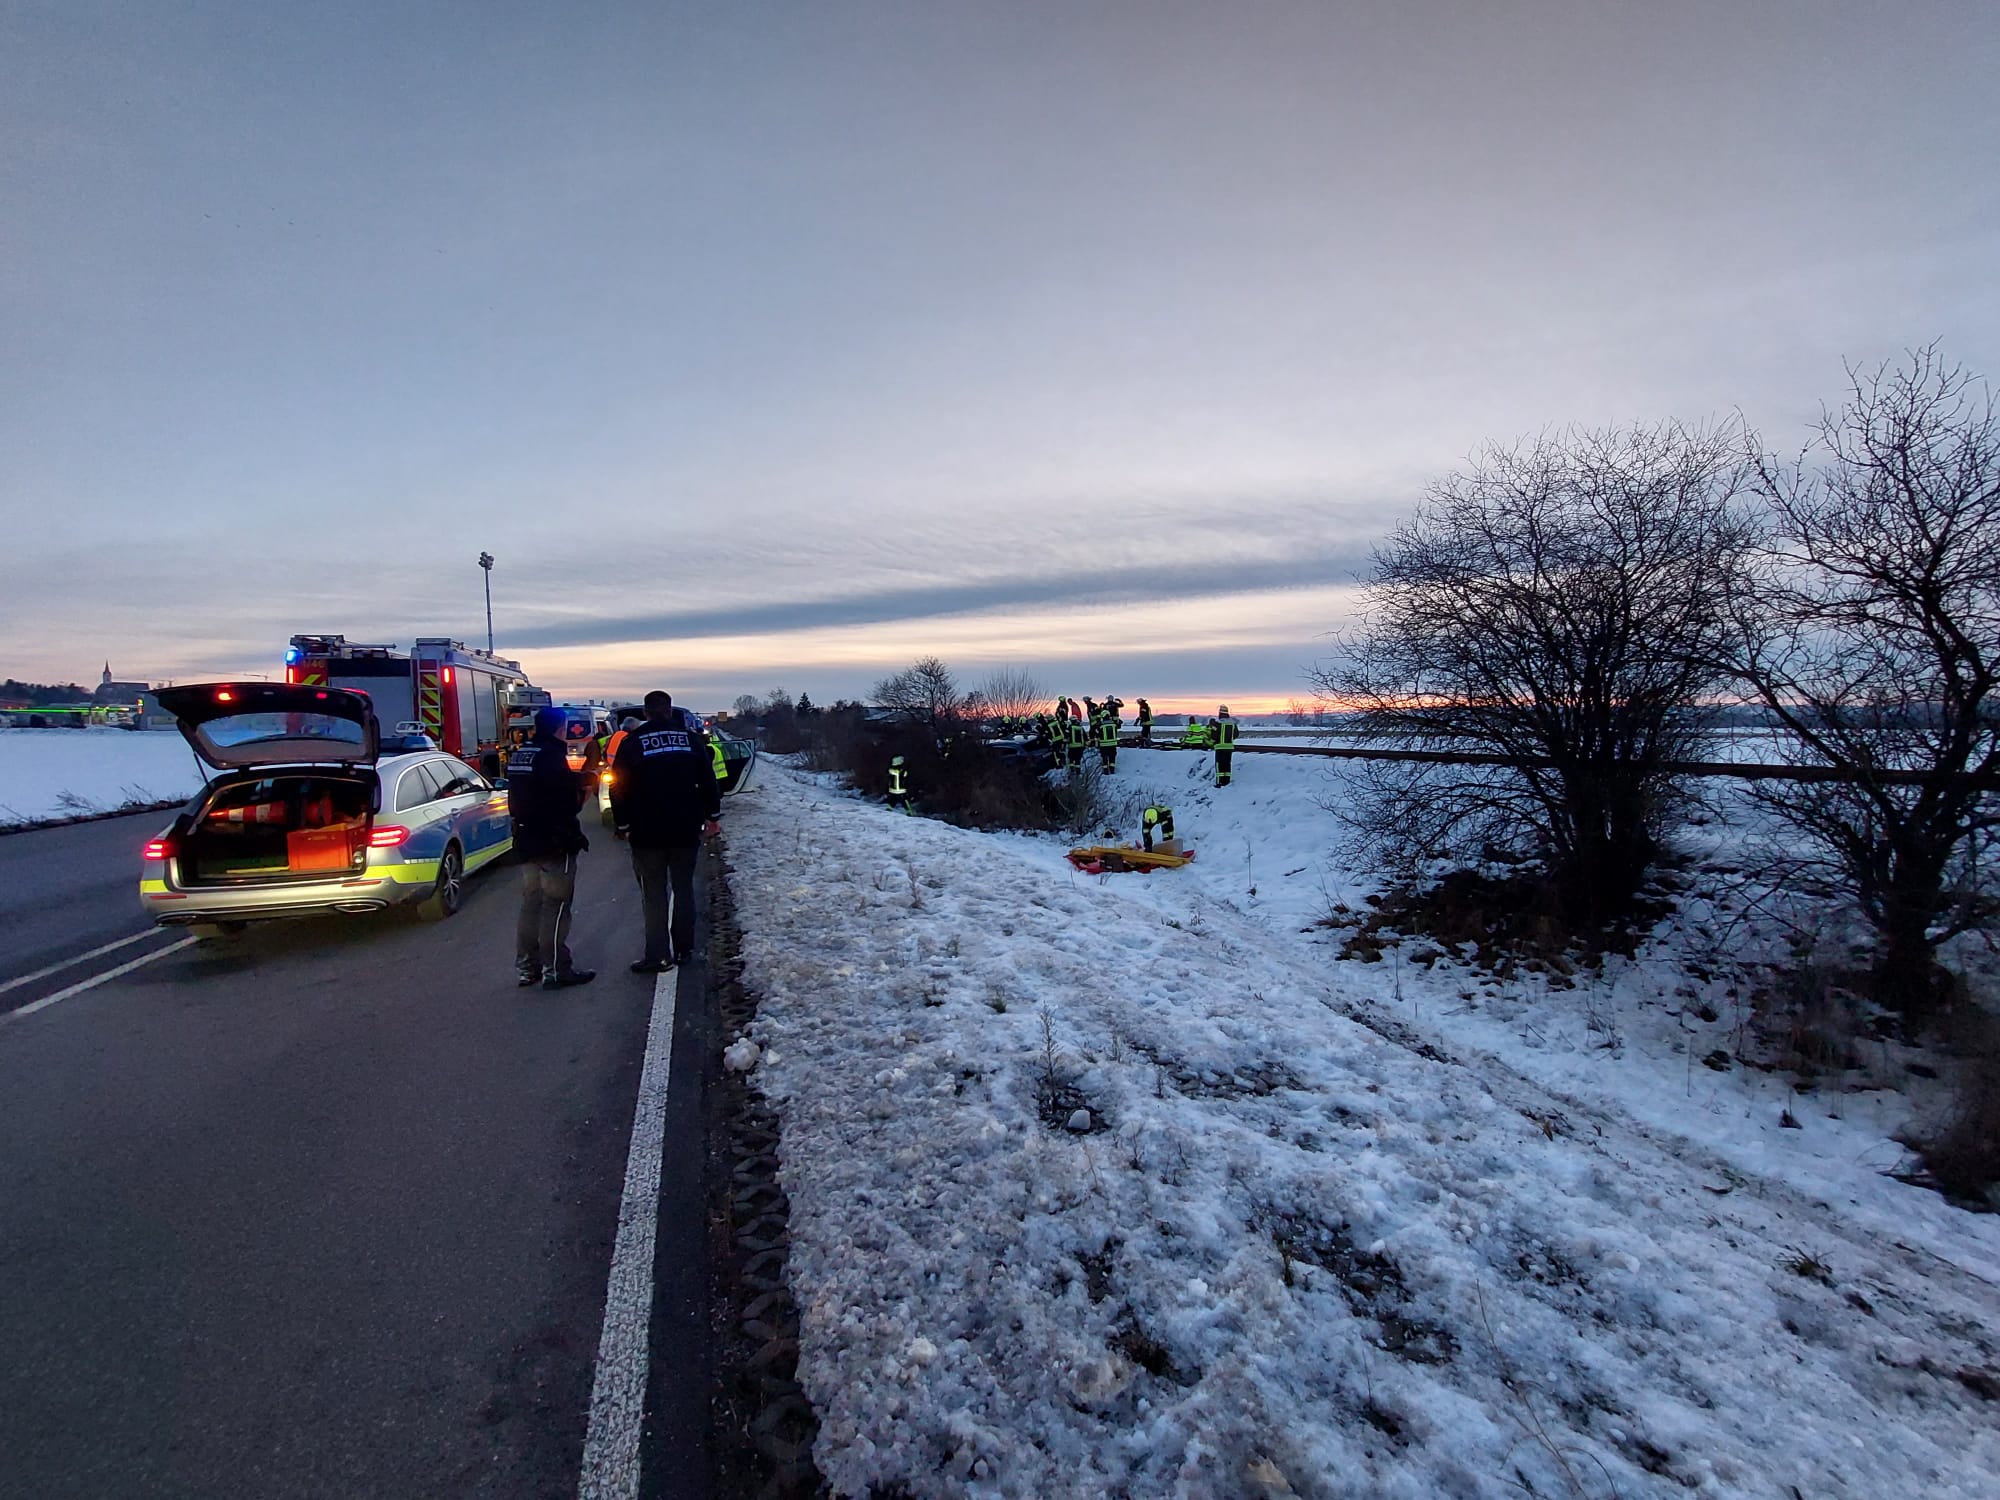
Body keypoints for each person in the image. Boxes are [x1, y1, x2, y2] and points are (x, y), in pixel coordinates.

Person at [610, 690, 721, 974]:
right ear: (670, 710)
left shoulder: (633, 743)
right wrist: (712, 816)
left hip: (646, 831)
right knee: (683, 889)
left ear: (646, 713)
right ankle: (684, 949)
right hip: (685, 826)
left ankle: (658, 955)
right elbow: (708, 780)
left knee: (654, 893)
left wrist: (622, 824)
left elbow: (617, 786)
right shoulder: (691, 740)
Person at [507, 705, 595, 989]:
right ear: (560, 727)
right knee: (555, 905)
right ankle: (556, 968)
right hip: (554, 840)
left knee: (531, 902)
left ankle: (527, 966)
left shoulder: (521, 754)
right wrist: (583, 787)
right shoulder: (552, 755)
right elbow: (565, 801)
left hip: (525, 838)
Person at [1214, 705, 1238, 787]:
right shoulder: (1232, 723)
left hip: (1220, 747)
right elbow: (1236, 734)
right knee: (1227, 765)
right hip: (1229, 747)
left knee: (1219, 765)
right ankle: (1226, 782)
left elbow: (1213, 735)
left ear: (1220, 713)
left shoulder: (1217, 723)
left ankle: (1219, 782)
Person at [1095, 701, 1119, 774]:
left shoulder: (1101, 725)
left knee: (1105, 758)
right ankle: (1112, 770)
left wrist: (1097, 743)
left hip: (1104, 745)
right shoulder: (1113, 724)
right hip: (1113, 744)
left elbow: (1097, 733)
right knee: (1112, 758)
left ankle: (1105, 771)